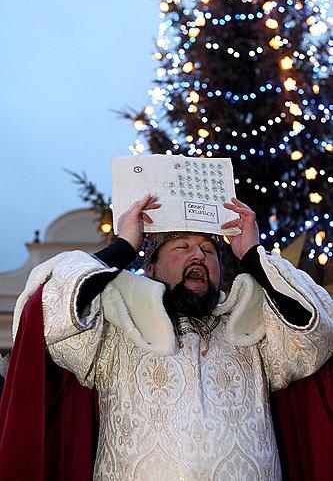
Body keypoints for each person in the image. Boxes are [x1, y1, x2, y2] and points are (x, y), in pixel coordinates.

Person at [1, 195, 333, 481]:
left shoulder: (252, 328)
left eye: (208, 250)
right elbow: (47, 313)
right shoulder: (117, 328)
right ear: (152, 269)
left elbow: (315, 335)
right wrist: (123, 247)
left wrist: (252, 255)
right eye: (182, 247)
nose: (199, 256)